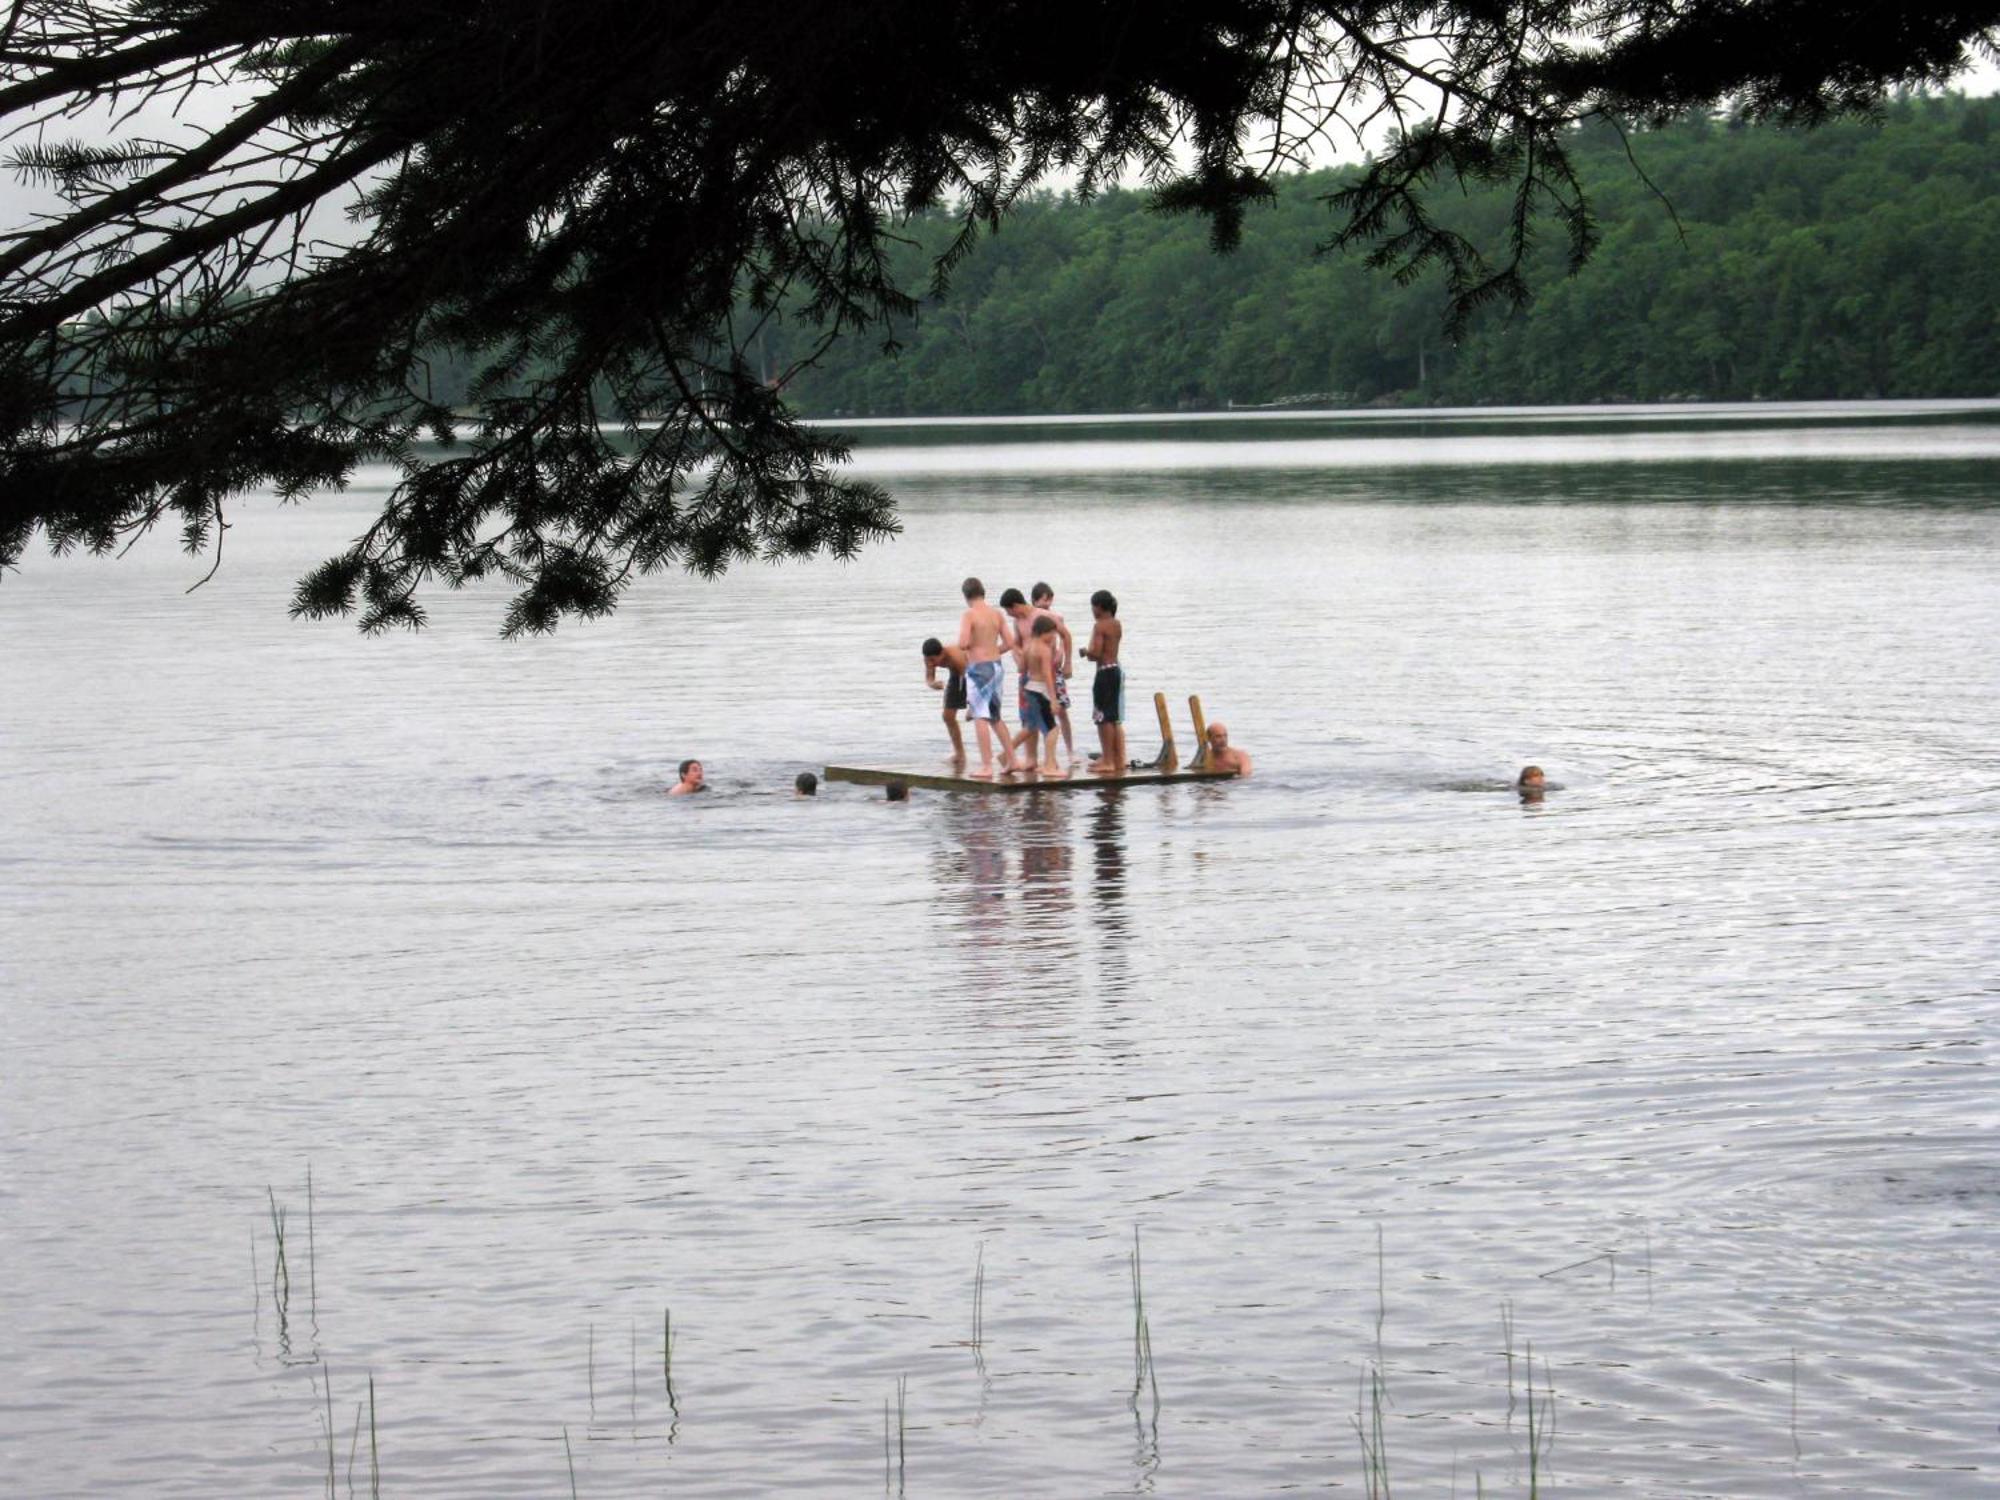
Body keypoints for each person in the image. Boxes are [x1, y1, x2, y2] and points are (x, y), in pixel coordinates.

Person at [956, 577, 1019, 779]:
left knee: (980, 716)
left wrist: (972, 648)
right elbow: (1010, 642)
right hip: (996, 667)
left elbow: (963, 643)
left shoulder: (969, 614)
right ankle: (1012, 759)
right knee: (995, 716)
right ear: (983, 592)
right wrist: (993, 650)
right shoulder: (997, 614)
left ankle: (986, 766)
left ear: (966, 596)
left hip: (978, 669)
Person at [1013, 615, 1068, 777]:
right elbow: (1047, 675)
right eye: (1052, 633)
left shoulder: (1028, 646)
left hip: (1029, 689)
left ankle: (1005, 755)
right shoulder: (1044, 649)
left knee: (1030, 726)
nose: (1054, 637)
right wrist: (1053, 700)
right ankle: (1049, 766)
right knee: (1052, 729)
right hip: (1040, 690)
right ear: (1044, 632)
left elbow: (1021, 668)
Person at [1030, 582, 1077, 760]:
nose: (1047, 603)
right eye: (1044, 600)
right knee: (1040, 712)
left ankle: (1070, 751)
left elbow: (1064, 638)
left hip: (1054, 669)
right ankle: (1047, 756)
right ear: (1034, 601)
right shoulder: (1031, 619)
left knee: (1062, 710)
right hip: (1037, 672)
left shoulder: (1056, 617)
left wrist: (1063, 656)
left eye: (1050, 600)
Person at [1080, 588, 1124, 773]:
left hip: (1104, 673)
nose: (1092, 610)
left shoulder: (1100, 625)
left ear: (1099, 607)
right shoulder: (1116, 623)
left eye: (1093, 606)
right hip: (1115, 671)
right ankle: (1113, 758)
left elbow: (1096, 654)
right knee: (1112, 717)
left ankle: (1108, 761)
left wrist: (1085, 652)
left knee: (1102, 718)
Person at [921, 636, 970, 762]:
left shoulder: (956, 657)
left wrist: (973, 705)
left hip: (972, 671)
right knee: (947, 717)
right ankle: (960, 754)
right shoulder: (928, 658)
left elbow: (971, 681)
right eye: (928, 660)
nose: (931, 663)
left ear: (942, 653)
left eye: (933, 660)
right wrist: (932, 684)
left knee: (983, 715)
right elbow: (929, 677)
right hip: (955, 673)